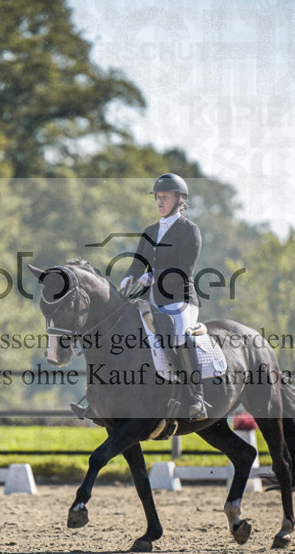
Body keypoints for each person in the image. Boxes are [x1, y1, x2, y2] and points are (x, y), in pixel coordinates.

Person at [70, 173, 209, 421]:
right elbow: (137, 264)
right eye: (158, 197)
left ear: (179, 200)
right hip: (151, 300)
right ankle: (98, 399)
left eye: (165, 197)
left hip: (180, 301)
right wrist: (129, 277)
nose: (160, 201)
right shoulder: (150, 230)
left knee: (179, 336)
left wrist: (154, 277)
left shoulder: (190, 231)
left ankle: (196, 396)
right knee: (121, 335)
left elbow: (184, 270)